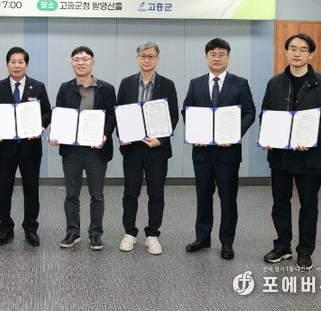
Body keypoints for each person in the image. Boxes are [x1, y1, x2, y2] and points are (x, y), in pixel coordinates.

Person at [261, 33, 321, 270]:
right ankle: (282, 246)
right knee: (280, 203)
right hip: (281, 156)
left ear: (310, 54)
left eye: (303, 49)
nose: (297, 53)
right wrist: (267, 137)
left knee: (309, 206)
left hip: (310, 156)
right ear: (286, 52)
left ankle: (305, 251)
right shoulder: (275, 83)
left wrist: (309, 138)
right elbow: (266, 114)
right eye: (293, 48)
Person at [182, 38, 255, 260]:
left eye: (221, 54)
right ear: (206, 57)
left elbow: (250, 112)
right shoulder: (196, 83)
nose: (217, 58)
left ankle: (227, 242)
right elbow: (187, 110)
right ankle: (202, 237)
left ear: (228, 57)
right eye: (212, 54)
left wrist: (235, 134)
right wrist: (195, 133)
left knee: (228, 199)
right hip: (202, 152)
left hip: (228, 153)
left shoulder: (240, 83)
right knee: (203, 197)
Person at [51, 46, 116, 251]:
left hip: (97, 150)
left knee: (97, 195)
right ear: (72, 64)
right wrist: (56, 134)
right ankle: (73, 232)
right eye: (76, 59)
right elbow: (59, 115)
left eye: (85, 59)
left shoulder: (106, 88)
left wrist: (105, 134)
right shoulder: (65, 88)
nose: (81, 62)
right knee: (72, 194)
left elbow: (111, 116)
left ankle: (95, 233)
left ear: (92, 62)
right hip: (72, 151)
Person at [117, 41, 178, 255]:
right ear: (137, 59)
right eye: (143, 56)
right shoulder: (126, 83)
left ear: (157, 59)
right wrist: (123, 136)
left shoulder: (167, 84)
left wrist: (161, 139)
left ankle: (152, 234)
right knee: (130, 192)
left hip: (157, 149)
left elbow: (173, 116)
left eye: (151, 56)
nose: (146, 60)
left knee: (156, 193)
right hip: (133, 149)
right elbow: (119, 113)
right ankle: (130, 233)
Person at [0, 47, 51, 247]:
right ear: (7, 64)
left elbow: (47, 112)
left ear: (26, 65)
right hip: (6, 149)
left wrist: (40, 127)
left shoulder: (37, 86)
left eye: (20, 62)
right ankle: (5, 229)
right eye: (13, 61)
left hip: (30, 149)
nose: (17, 65)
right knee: (3, 192)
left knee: (31, 191)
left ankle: (31, 229)